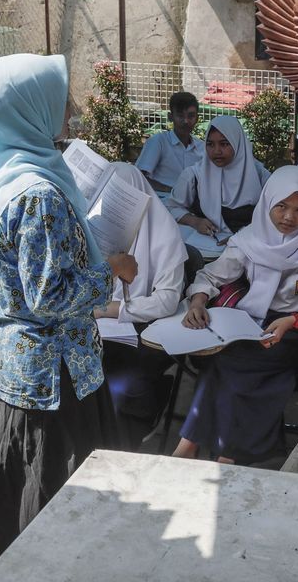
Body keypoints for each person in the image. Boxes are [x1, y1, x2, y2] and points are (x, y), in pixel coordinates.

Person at [0, 54, 138, 575]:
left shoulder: (2, 176)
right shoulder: (39, 194)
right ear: (26, 108)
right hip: (53, 379)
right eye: (57, 98)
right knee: (56, 497)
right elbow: (50, 296)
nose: (69, 109)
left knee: (18, 485)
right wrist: (113, 268)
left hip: (16, 368)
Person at [172, 166, 298, 464]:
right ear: (267, 203)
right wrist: (198, 301)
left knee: (245, 366)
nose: (289, 217)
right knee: (217, 360)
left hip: (295, 327)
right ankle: (195, 443)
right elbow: (211, 276)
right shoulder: (249, 238)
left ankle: (227, 451)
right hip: (248, 321)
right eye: (281, 206)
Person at [93, 162, 187, 448]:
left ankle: (124, 443)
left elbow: (167, 300)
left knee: (130, 382)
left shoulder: (165, 234)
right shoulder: (95, 228)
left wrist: (114, 310)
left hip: (146, 328)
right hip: (98, 325)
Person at [167, 114, 271, 237]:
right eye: (210, 144)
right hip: (205, 249)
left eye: (224, 144)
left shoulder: (260, 175)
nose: (217, 151)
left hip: (249, 248)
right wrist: (195, 221)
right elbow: (172, 208)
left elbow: (275, 212)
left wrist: (243, 238)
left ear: (238, 143)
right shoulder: (194, 176)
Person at [135, 91, 203, 193]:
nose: (186, 121)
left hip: (192, 204)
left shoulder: (202, 148)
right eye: (180, 116)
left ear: (197, 118)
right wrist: (172, 191)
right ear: (170, 117)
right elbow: (139, 177)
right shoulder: (158, 142)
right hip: (162, 203)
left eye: (191, 116)